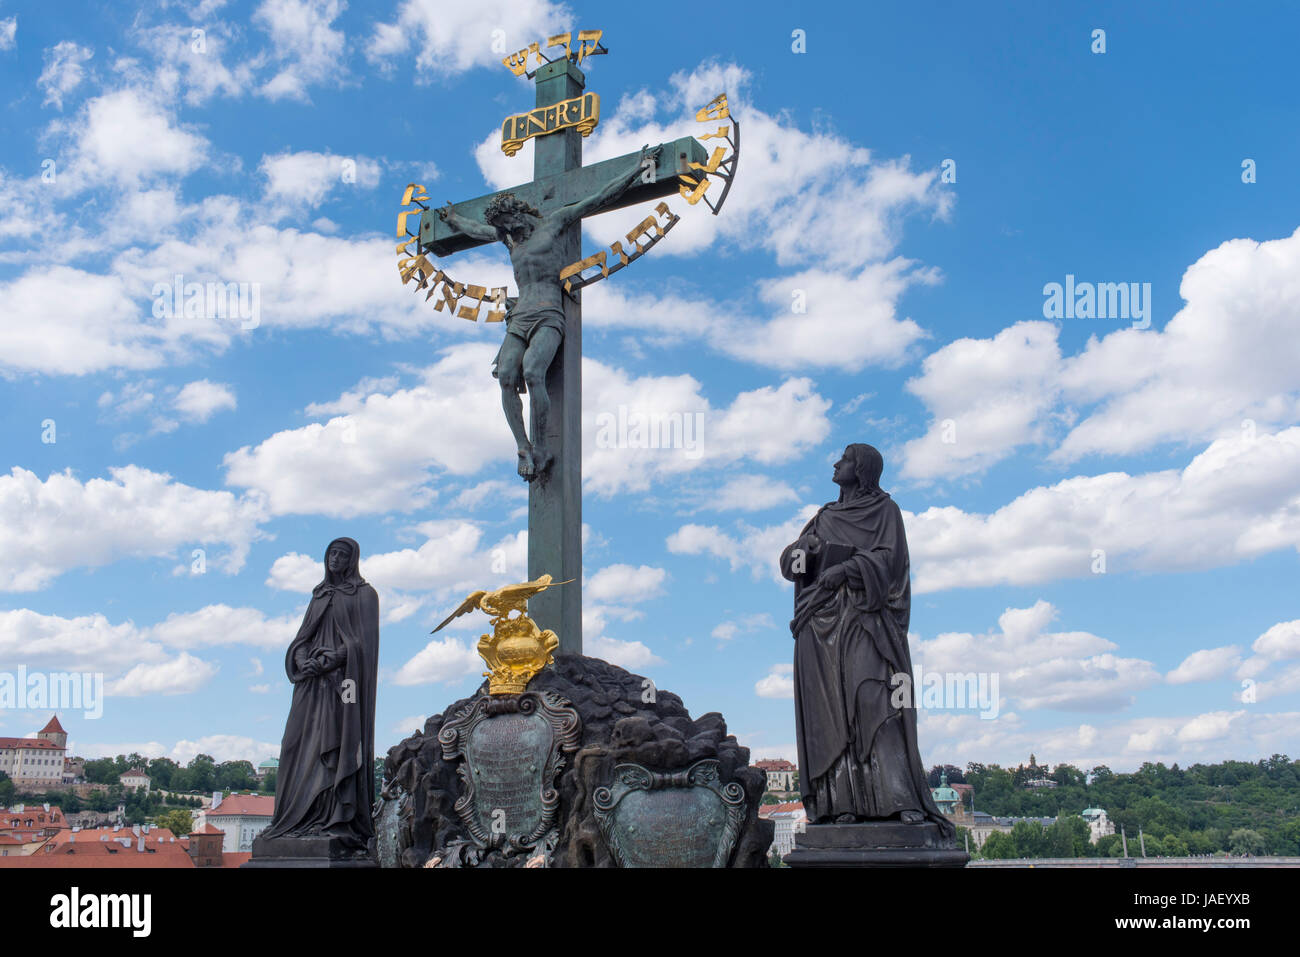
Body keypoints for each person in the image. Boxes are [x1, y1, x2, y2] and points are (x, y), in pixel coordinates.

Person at [436, 146, 660, 481]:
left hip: (548, 313)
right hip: (519, 317)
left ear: (519, 214)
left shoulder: (552, 225)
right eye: (501, 227)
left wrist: (636, 169)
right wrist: (453, 219)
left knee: (532, 371)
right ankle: (523, 446)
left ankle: (541, 444)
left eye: (508, 223)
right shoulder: (508, 239)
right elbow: (474, 230)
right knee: (507, 377)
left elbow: (598, 198)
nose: (506, 230)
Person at [779, 444, 953, 837]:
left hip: (865, 620)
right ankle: (840, 805)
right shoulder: (822, 517)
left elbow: (892, 563)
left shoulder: (885, 511)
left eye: (844, 459)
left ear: (862, 468)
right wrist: (801, 550)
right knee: (831, 715)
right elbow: (792, 569)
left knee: (876, 701)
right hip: (819, 626)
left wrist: (846, 570)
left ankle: (899, 799)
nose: (836, 464)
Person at [261, 537, 379, 851]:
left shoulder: (365, 595)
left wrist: (337, 657)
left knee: (336, 745)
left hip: (344, 686)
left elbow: (364, 645)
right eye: (331, 553)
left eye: (342, 554)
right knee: (293, 745)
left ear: (352, 559)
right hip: (311, 683)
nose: (335, 559)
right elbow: (303, 637)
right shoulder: (319, 594)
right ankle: (292, 820)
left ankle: (333, 817)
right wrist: (301, 659)